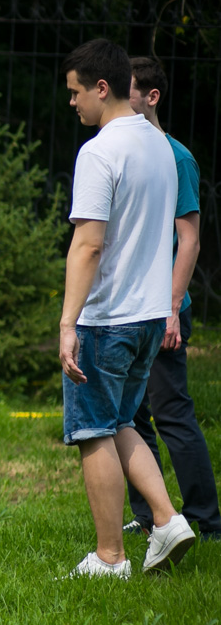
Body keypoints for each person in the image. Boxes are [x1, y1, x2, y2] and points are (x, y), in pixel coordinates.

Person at [57, 38, 194, 578]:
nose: (72, 104)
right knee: (121, 423)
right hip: (149, 315)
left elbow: (88, 243)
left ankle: (110, 557)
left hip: (105, 318)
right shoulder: (160, 145)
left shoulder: (99, 150)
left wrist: (68, 323)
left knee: (93, 431)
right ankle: (167, 519)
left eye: (75, 93)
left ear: (101, 88)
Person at [121, 56, 220, 542]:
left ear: (151, 97)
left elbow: (190, 239)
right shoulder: (128, 153)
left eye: (129, 89)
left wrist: (171, 309)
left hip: (162, 313)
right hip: (131, 311)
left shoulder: (176, 157)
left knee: (171, 413)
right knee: (133, 417)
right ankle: (149, 515)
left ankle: (205, 518)